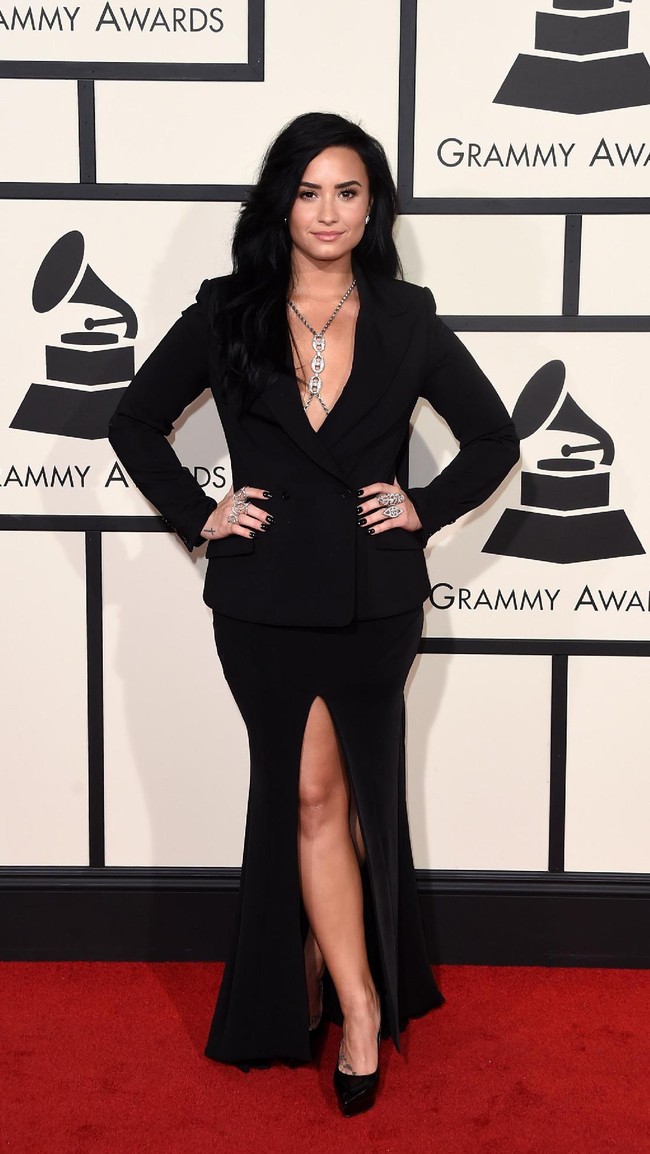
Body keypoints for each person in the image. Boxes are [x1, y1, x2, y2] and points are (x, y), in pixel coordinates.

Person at [108, 111, 519, 1116]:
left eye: (347, 191)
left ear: (371, 204)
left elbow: (491, 436)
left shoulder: (406, 317)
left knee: (335, 795)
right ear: (278, 203)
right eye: (307, 191)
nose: (327, 211)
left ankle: (347, 989)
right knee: (308, 795)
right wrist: (202, 512)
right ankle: (359, 995)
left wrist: (422, 506)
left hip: (373, 601)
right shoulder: (226, 312)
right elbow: (132, 420)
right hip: (262, 600)